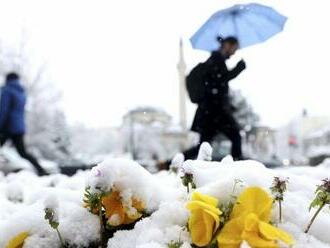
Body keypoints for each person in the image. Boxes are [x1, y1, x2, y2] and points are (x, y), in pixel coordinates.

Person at [185, 36, 246, 161]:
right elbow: (221, 79)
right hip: (216, 111)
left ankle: (168, 163)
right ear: (228, 45)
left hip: (210, 111)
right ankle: (238, 168)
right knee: (235, 136)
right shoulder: (216, 58)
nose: (235, 52)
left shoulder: (215, 59)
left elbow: (217, 85)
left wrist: (230, 106)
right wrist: (239, 67)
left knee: (202, 146)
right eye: (234, 48)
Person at [0, 72, 48, 176]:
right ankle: (41, 170)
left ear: (8, 79)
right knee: (23, 152)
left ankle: (41, 170)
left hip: (7, 126)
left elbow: (3, 109)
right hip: (19, 127)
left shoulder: (7, 90)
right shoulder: (21, 92)